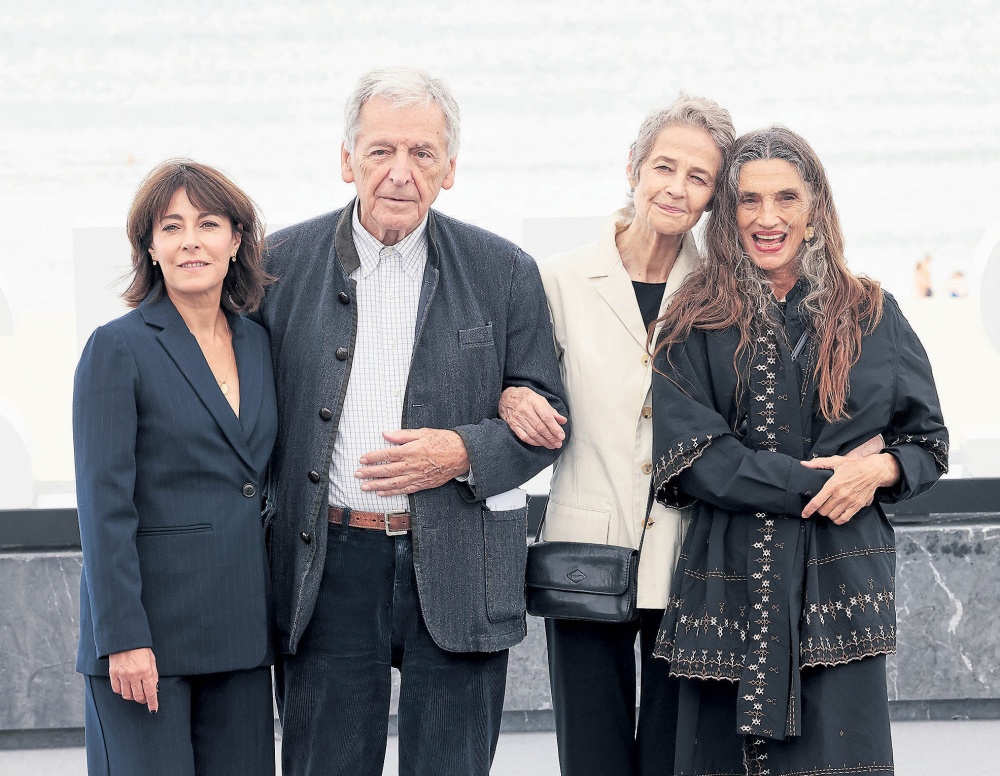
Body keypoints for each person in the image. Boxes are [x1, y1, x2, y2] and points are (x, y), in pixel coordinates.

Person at [252, 67, 568, 776]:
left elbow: (550, 420)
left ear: (449, 169)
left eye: (423, 153)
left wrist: (464, 450)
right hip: (326, 563)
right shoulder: (277, 266)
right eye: (381, 151)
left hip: (462, 561)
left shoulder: (504, 270)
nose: (401, 172)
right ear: (347, 160)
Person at [649, 126, 949, 775]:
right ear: (728, 214)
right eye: (749, 200)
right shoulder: (694, 317)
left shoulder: (873, 313)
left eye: (785, 197)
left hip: (839, 588)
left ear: (815, 206)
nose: (768, 218)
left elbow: (928, 442)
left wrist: (879, 469)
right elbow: (697, 458)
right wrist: (827, 485)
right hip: (728, 590)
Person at [498, 96, 735, 775]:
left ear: (713, 197)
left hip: (689, 560)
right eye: (664, 166)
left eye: (698, 177)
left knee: (675, 757)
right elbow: (517, 381)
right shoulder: (558, 280)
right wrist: (511, 394)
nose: (676, 188)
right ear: (633, 167)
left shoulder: (723, 291)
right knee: (591, 755)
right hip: (584, 552)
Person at [73, 160, 278, 776]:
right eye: (172, 226)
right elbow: (103, 507)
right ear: (151, 248)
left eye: (208, 224)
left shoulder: (258, 343)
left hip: (241, 633)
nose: (191, 240)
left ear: (236, 241)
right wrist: (123, 638)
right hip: (148, 640)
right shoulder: (117, 346)